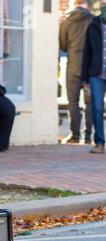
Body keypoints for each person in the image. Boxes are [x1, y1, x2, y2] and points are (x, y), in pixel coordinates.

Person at [60, 0, 93, 144]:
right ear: (86, 3)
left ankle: (74, 136)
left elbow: (63, 45)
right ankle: (87, 137)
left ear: (74, 4)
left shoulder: (67, 21)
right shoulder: (94, 21)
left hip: (73, 66)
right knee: (90, 103)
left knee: (72, 101)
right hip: (89, 68)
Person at [82, 0, 106, 154]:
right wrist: (84, 79)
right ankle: (100, 143)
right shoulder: (93, 26)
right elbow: (86, 53)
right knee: (97, 107)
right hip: (96, 74)